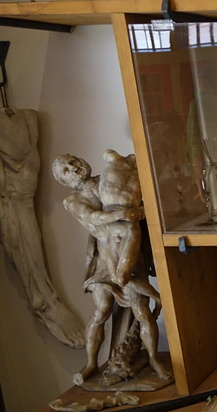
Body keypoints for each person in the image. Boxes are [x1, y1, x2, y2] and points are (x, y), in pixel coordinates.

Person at [52, 152, 171, 386]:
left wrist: (139, 212)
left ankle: (154, 359)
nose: (74, 168)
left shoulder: (108, 178)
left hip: (130, 251)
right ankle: (91, 363)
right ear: (63, 181)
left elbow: (138, 202)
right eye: (66, 170)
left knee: (142, 311)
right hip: (105, 260)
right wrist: (123, 214)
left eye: (74, 162)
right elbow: (93, 216)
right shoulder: (72, 200)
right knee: (102, 310)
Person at [0, 108, 85, 347]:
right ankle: (45, 300)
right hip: (12, 205)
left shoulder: (27, 120)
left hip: (19, 202)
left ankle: (44, 298)